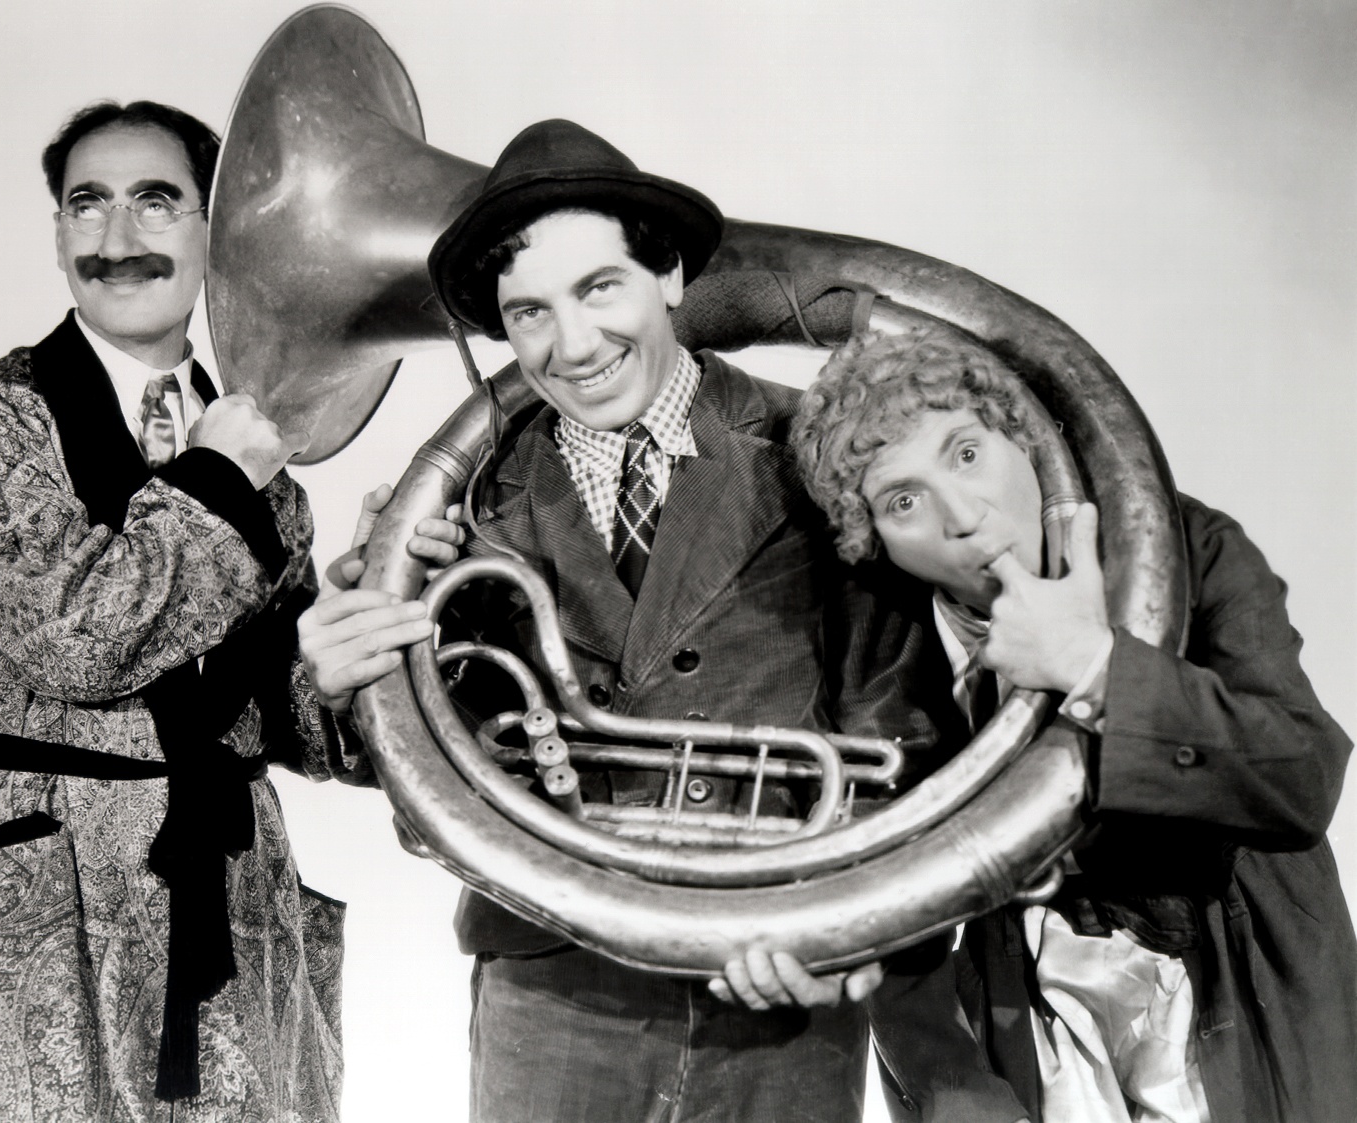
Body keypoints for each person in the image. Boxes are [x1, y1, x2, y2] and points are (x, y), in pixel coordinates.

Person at [299, 119, 1026, 1123]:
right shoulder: (465, 503)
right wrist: (360, 670)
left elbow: (896, 724)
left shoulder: (817, 448)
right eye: (529, 312)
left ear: (671, 274)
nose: (572, 345)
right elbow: (437, 762)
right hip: (554, 986)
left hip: (777, 972)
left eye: (600, 288)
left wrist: (844, 928)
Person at [0, 101, 353, 1121]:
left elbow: (289, 720)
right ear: (57, 235)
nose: (118, 238)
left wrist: (357, 640)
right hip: (36, 877)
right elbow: (75, 638)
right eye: (87, 204)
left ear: (217, 235)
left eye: (156, 202)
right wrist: (219, 477)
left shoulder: (262, 457)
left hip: (226, 883)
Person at [791, 327, 1357, 1123]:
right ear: (872, 539)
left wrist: (1096, 665)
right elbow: (886, 907)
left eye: (966, 453)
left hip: (1239, 993)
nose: (964, 516)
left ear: (1024, 439)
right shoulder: (884, 646)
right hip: (1036, 1017)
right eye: (904, 501)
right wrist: (951, 1086)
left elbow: (1300, 776)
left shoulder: (1189, 549)